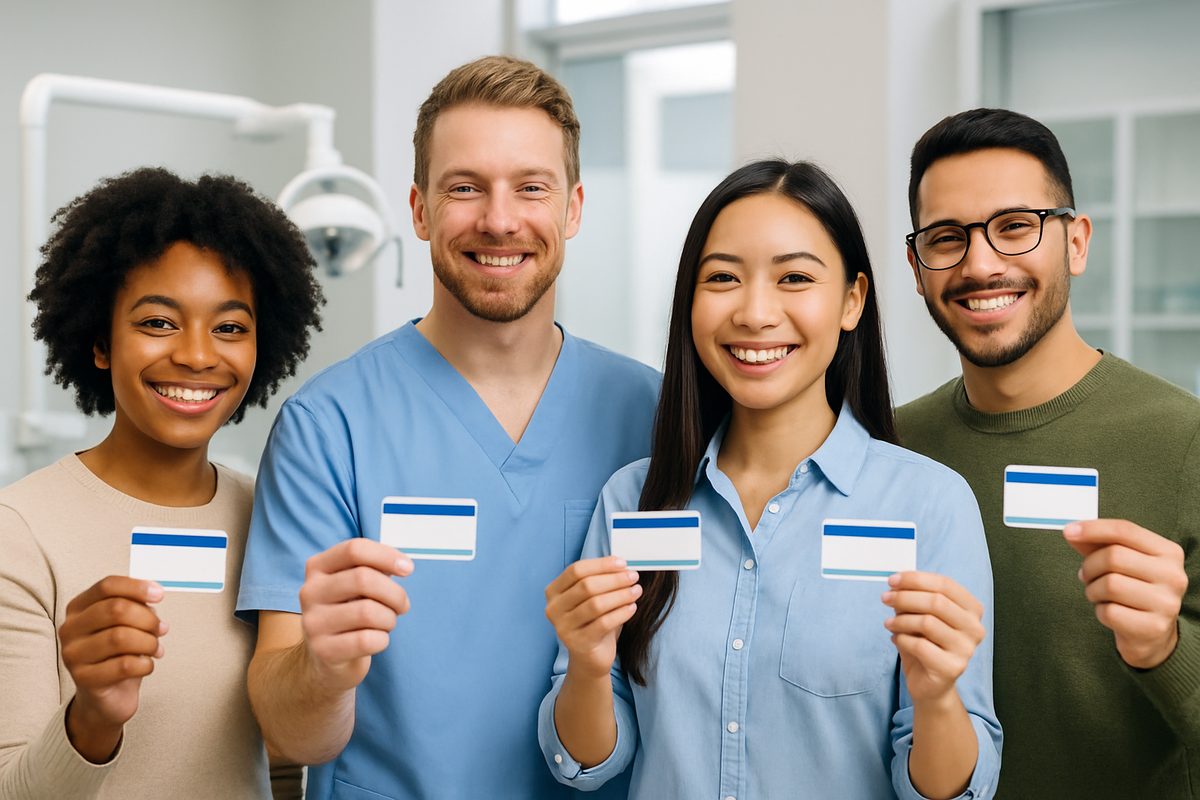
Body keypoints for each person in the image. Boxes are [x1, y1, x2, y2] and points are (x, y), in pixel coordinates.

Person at [236, 55, 659, 799]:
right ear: (421, 209)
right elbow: (290, 734)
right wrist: (323, 671)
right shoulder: (328, 427)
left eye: (531, 187)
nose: (499, 219)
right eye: (465, 188)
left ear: (574, 208)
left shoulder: (654, 416)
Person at [539, 159, 1002, 799]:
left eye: (794, 278)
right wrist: (588, 666)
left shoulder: (930, 504)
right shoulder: (633, 499)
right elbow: (590, 765)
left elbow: (949, 791)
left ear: (852, 301)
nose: (756, 313)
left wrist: (938, 698)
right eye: (724, 277)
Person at [897, 108, 1199, 798]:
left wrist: (1166, 650)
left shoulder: (1186, 442)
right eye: (946, 238)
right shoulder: (888, 449)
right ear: (916, 268)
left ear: (1077, 242)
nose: (980, 264)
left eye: (1014, 227)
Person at [0, 167, 323, 798]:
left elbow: (282, 760)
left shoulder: (272, 514)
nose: (198, 356)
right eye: (158, 322)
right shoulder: (21, 530)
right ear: (99, 341)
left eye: (230, 327)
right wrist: (92, 716)